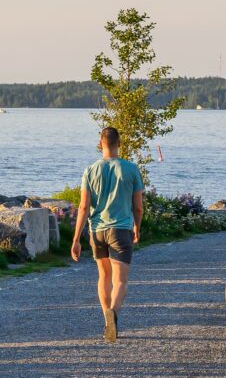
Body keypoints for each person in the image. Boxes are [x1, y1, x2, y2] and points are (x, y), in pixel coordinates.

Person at [71, 127, 144, 343]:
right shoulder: (131, 169)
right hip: (121, 230)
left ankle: (106, 321)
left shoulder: (90, 170)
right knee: (120, 281)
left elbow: (83, 207)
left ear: (100, 143)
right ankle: (113, 313)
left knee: (104, 277)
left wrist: (75, 239)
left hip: (97, 231)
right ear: (118, 143)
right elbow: (138, 207)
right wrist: (137, 227)